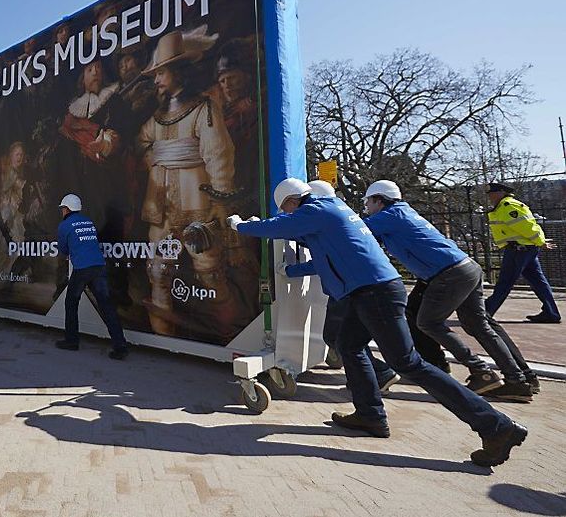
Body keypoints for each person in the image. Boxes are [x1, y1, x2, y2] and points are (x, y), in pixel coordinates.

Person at [228, 178, 527, 467]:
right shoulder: (328, 212)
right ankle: (369, 414)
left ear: (293, 201)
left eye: (287, 209)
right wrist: (265, 229)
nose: (288, 214)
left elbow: (286, 226)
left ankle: (495, 426)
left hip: (376, 293)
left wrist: (242, 225)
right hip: (367, 292)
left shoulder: (319, 209)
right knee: (348, 344)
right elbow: (296, 233)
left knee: (409, 363)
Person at [362, 180, 536, 402]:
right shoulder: (402, 213)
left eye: (369, 201)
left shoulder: (390, 216)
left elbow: (352, 229)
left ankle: (481, 371)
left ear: (379, 199)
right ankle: (517, 381)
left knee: (428, 322)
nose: (367, 206)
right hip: (466, 267)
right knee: (478, 325)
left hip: (448, 273)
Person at [136, 28, 240, 341]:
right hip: (160, 209)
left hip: (199, 208)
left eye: (161, 73)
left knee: (209, 270)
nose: (156, 80)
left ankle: (227, 333)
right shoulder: (154, 119)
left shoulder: (204, 109)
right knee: (158, 271)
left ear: (178, 72)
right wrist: (158, 157)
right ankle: (163, 335)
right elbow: (142, 144)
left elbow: (218, 156)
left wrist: (221, 202)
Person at [282, 180, 400, 394]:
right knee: (349, 340)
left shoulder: (322, 219)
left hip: (349, 291)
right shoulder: (338, 217)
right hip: (357, 288)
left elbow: (318, 260)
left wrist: (290, 271)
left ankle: (377, 376)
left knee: (339, 338)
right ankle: (375, 378)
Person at [55, 193, 129, 360]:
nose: (62, 211)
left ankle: (71, 341)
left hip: (82, 268)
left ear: (67, 209)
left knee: (71, 303)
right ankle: (120, 346)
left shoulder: (65, 225)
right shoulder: (88, 222)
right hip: (99, 267)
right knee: (107, 306)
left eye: (63, 208)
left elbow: (64, 250)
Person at [484, 183, 561, 323]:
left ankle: (486, 311)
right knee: (538, 281)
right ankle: (551, 313)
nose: (490, 196)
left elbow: (526, 226)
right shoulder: (503, 206)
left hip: (519, 249)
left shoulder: (508, 206)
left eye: (492, 193)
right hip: (523, 248)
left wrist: (540, 242)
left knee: (505, 281)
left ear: (501, 192)